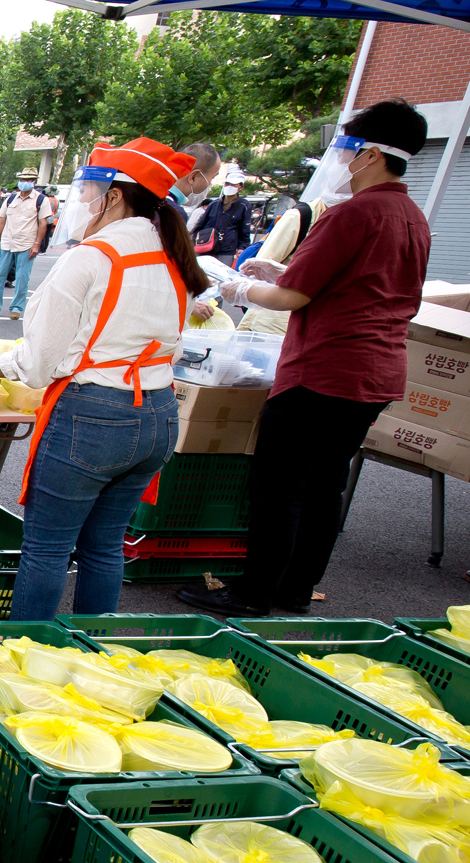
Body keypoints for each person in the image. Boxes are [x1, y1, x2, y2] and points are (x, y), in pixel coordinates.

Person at [178, 100, 432, 619]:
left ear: (373, 155)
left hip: (326, 368)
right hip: (376, 372)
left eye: (349, 150)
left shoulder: (355, 213)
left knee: (280, 484)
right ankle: (294, 590)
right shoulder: (411, 215)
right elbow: (354, 285)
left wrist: (240, 285)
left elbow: (294, 298)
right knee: (324, 486)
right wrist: (278, 275)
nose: (343, 160)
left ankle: (253, 593)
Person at [0, 139, 207, 620]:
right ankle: (90, 649)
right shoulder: (174, 257)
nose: (81, 202)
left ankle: (26, 648)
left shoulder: (93, 257)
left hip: (93, 416)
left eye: (88, 191)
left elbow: (41, 361)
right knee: (105, 546)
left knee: (47, 548)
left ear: (114, 197)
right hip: (158, 414)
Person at [236, 192, 325, 335]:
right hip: (272, 324)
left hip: (313, 329)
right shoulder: (301, 216)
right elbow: (258, 268)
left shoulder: (355, 220)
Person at [0, 168, 55, 319]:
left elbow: (43, 223)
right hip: (7, 242)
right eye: (23, 179)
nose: (24, 182)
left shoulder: (41, 200)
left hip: (26, 244)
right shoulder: (10, 199)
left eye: (28, 180)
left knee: (22, 278)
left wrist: (37, 244)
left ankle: (17, 308)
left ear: (34, 182)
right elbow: (1, 221)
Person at [202, 169, 252, 268]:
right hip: (208, 246)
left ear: (241, 187)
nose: (230, 187)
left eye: (234, 185)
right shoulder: (214, 204)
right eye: (227, 184)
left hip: (227, 250)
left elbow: (245, 229)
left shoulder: (244, 205)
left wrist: (242, 247)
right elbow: (201, 223)